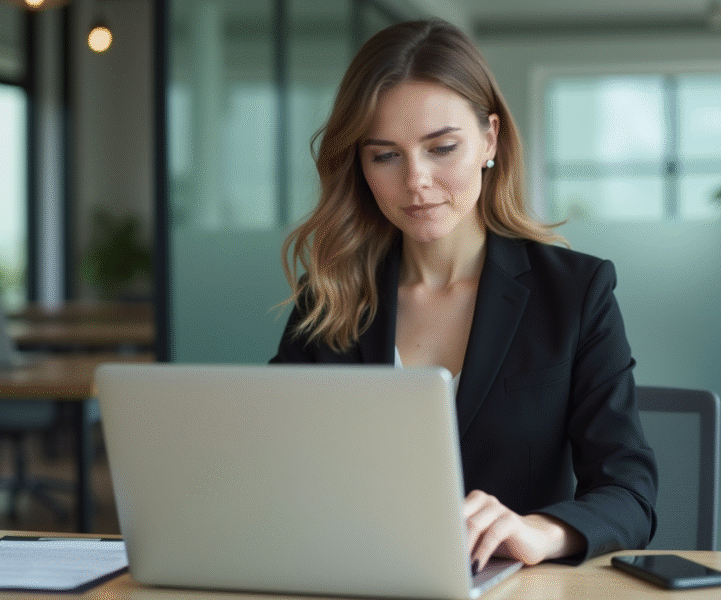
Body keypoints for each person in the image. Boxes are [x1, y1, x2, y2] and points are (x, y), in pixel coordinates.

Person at [270, 19, 657, 568]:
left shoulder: (574, 294)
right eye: (385, 155)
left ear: (489, 139)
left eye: (442, 148)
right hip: (357, 578)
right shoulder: (330, 298)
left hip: (511, 587)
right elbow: (270, 466)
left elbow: (630, 493)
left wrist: (538, 532)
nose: (416, 180)